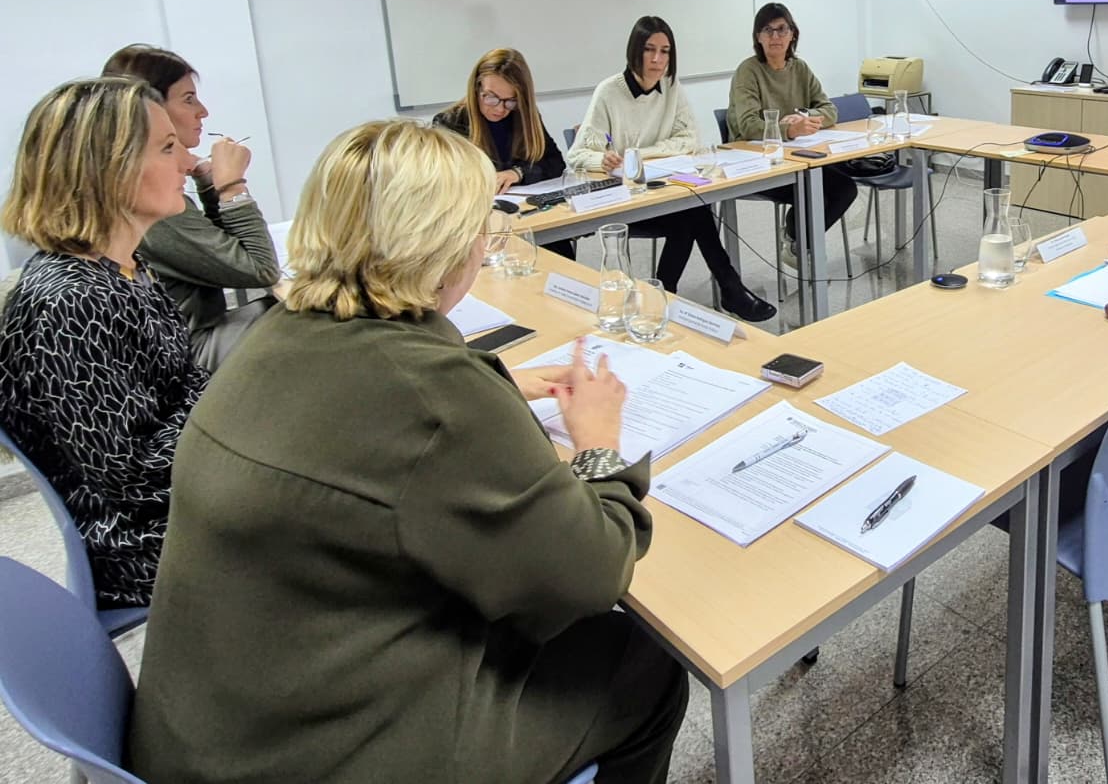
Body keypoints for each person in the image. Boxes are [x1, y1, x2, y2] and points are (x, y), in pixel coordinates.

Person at [127, 120, 688, 784]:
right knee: (643, 665)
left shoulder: (278, 332)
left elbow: (360, 423)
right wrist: (598, 448)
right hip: (313, 755)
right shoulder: (436, 397)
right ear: (448, 249)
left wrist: (493, 382)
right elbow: (593, 574)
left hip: (209, 733)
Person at [0, 77, 209, 607]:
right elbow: (136, 481)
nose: (188, 162)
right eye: (167, 148)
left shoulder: (127, 268)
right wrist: (231, 402)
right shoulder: (67, 302)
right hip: (135, 545)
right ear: (106, 168)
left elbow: (184, 388)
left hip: (179, 501)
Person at [567, 17, 777, 323]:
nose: (657, 59)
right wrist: (603, 161)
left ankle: (665, 296)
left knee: (692, 211)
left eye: (665, 51)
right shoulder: (608, 93)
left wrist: (639, 155)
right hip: (623, 202)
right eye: (649, 50)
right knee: (693, 216)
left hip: (660, 194)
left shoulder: (670, 86)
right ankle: (725, 288)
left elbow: (690, 138)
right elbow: (577, 155)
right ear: (634, 52)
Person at [102, 44, 280, 370]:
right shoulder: (146, 198)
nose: (203, 111)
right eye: (188, 99)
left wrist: (210, 183)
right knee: (296, 319)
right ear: (149, 108)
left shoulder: (134, 185)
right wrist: (231, 187)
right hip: (183, 357)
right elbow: (259, 269)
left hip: (180, 343)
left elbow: (221, 255)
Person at [726, 3, 858, 265]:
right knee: (814, 190)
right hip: (757, 162)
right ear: (758, 37)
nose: (775, 37)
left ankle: (796, 239)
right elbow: (747, 125)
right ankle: (798, 239)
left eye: (781, 29)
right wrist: (788, 129)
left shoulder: (800, 69)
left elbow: (829, 109)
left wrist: (807, 117)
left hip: (797, 158)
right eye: (768, 30)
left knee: (845, 188)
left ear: (792, 34)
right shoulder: (748, 71)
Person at [433, 47, 575, 261]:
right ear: (476, 88)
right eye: (491, 98)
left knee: (561, 264)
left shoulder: (523, 116)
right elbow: (445, 186)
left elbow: (555, 162)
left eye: (511, 100)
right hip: (479, 231)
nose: (500, 109)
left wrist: (518, 173)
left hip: (531, 221)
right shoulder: (449, 124)